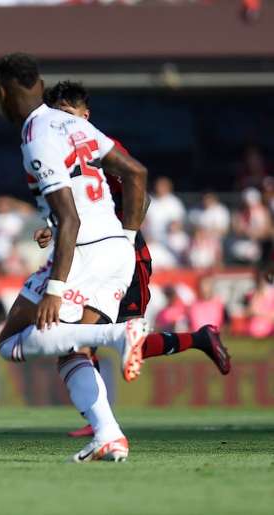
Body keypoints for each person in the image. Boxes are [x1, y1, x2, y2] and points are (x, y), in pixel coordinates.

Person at [44, 80, 231, 438]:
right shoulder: (56, 156)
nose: (63, 123)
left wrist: (124, 240)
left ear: (85, 115)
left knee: (121, 341)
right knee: (80, 337)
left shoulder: (103, 149)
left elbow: (140, 195)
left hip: (122, 256)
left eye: (69, 115)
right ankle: (100, 419)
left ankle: (199, 340)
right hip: (87, 256)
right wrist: (52, 230)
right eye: (57, 116)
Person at [0, 54, 156, 463]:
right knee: (72, 351)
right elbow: (136, 173)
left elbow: (69, 217)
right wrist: (127, 238)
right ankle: (108, 434)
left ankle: (119, 336)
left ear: (2, 93)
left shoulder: (36, 135)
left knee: (10, 341)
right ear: (41, 83)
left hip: (82, 250)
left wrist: (54, 288)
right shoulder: (73, 123)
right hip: (117, 249)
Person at [143, 177, 186, 245]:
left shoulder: (174, 202)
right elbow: (143, 221)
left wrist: (172, 229)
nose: (159, 188)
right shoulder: (149, 200)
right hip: (150, 236)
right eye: (158, 186)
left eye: (162, 186)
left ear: (168, 188)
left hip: (169, 236)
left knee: (179, 240)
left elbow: (178, 223)